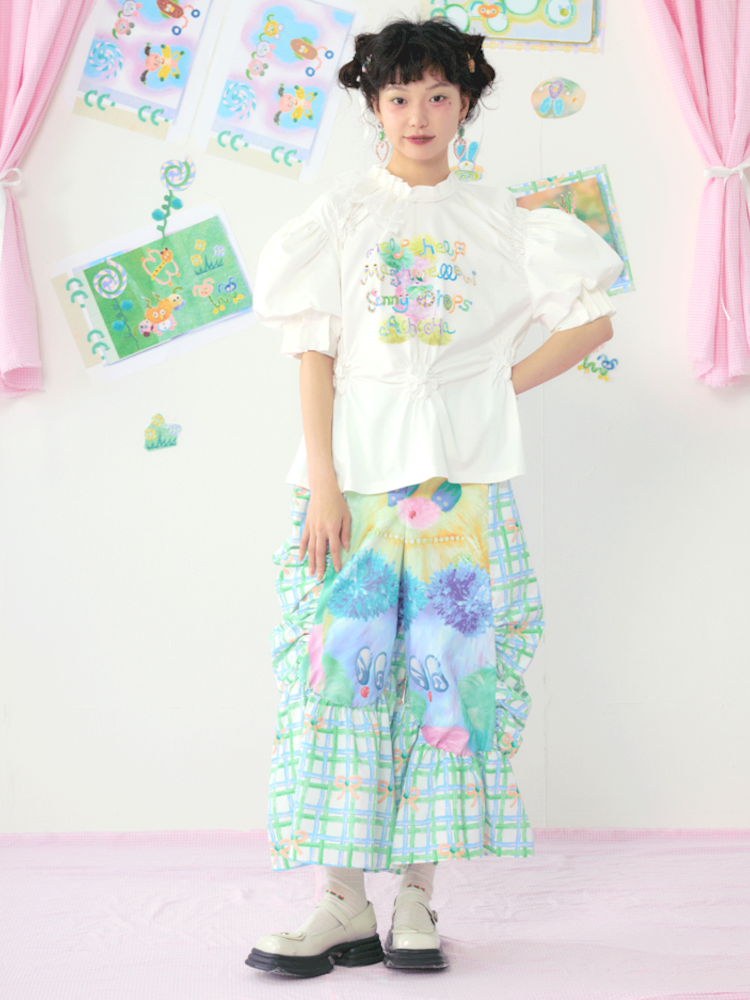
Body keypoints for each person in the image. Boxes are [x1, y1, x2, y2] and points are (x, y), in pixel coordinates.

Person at [246, 15, 623, 980]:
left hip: (461, 488)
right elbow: (315, 353)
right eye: (399, 96)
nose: (418, 114)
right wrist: (323, 484)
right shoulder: (340, 218)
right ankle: (341, 904)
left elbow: (591, 321)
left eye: (439, 95)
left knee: (447, 683)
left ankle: (417, 898)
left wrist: (493, 387)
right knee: (338, 683)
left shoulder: (501, 218)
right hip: (355, 489)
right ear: (374, 106)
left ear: (466, 104)